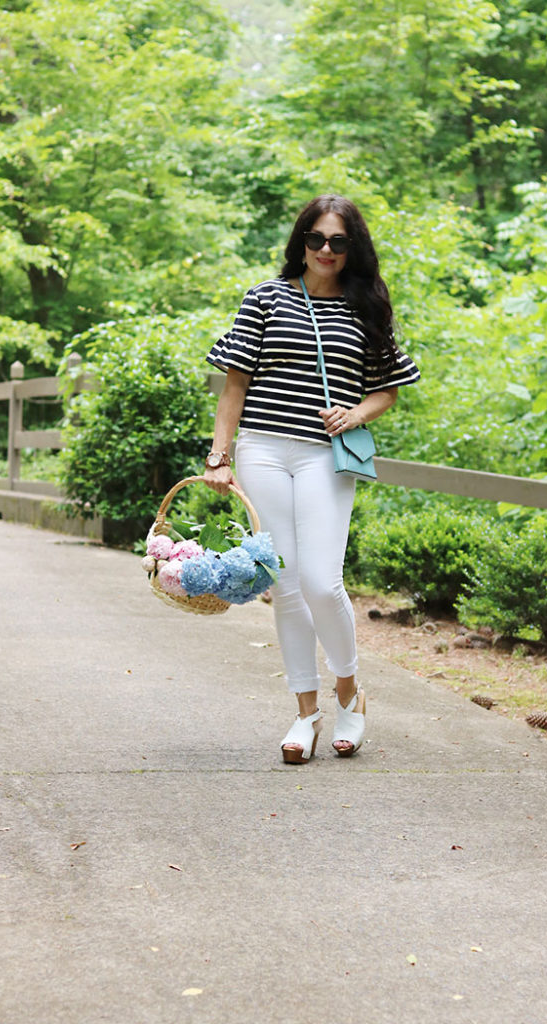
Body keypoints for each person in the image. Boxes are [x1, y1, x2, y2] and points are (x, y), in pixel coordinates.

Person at [203, 194, 420, 763]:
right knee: (287, 583)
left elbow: (388, 387)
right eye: (316, 239)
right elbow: (235, 386)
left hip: (326, 456)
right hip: (263, 451)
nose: (326, 250)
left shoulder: (365, 305)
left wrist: (356, 413)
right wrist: (219, 456)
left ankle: (350, 695)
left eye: (339, 241)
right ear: (301, 241)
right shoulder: (265, 299)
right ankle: (305, 714)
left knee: (323, 581)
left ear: (353, 249)